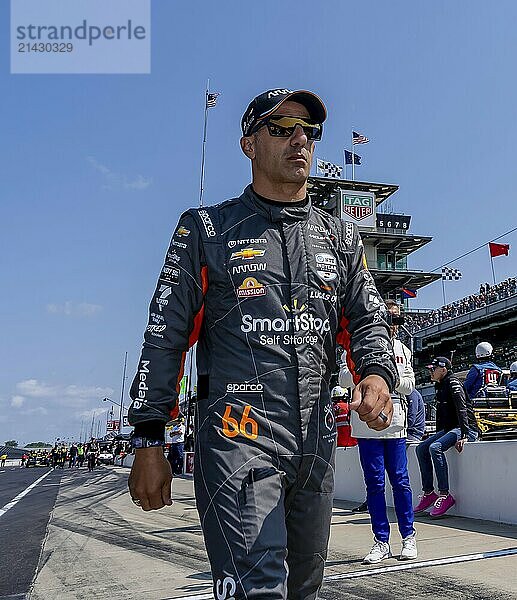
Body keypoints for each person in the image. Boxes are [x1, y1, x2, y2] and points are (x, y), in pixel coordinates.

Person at [127, 87, 398, 600]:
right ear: (249, 144)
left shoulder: (341, 236)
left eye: (309, 131)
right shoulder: (205, 228)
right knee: (258, 591)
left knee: (304, 592)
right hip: (237, 441)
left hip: (315, 446)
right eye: (281, 128)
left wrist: (377, 375)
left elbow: (367, 323)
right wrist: (148, 439)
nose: (300, 139)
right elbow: (165, 337)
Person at [351, 300, 417, 563]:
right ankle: (381, 541)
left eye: (397, 321)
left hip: (395, 424)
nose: (393, 326)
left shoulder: (403, 350)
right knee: (375, 484)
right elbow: (344, 378)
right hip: (366, 426)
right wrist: (367, 377)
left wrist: (388, 379)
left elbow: (410, 385)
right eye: (389, 320)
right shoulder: (357, 348)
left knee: (400, 481)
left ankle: (409, 536)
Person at [414, 357, 478, 518]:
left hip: (465, 428)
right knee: (421, 448)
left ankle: (445, 494)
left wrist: (464, 434)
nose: (430, 371)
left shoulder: (453, 382)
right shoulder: (440, 385)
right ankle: (429, 493)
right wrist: (438, 433)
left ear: (443, 369)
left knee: (434, 448)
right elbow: (442, 415)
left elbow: (462, 409)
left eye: (433, 369)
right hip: (450, 428)